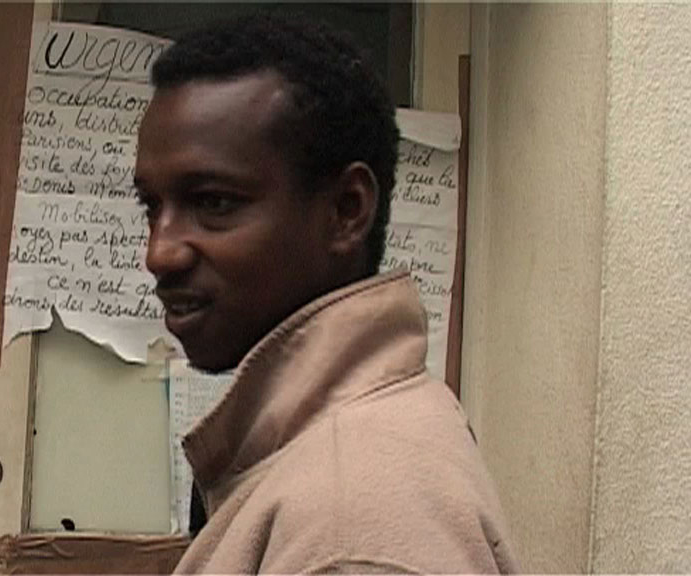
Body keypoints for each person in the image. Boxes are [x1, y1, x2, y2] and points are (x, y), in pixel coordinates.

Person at [134, 14, 518, 574]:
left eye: (213, 202)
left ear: (346, 211)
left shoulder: (351, 522)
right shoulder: (338, 452)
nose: (160, 252)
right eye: (151, 206)